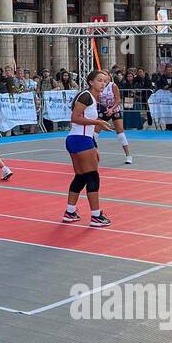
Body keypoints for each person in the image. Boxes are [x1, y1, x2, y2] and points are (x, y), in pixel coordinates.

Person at [62, 70, 112, 227]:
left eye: (105, 81)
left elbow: (86, 123)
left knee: (81, 177)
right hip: (80, 139)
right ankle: (96, 215)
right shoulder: (85, 96)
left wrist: (94, 146)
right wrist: (98, 123)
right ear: (91, 82)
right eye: (99, 80)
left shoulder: (91, 97)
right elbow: (75, 118)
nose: (103, 83)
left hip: (79, 139)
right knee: (92, 177)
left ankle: (70, 212)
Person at [97, 73, 132, 164]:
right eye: (102, 75)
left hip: (114, 109)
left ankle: (128, 155)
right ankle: (92, 153)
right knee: (95, 132)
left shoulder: (113, 85)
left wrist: (112, 109)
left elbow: (118, 99)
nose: (104, 77)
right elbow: (96, 99)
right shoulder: (99, 86)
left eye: (106, 75)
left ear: (109, 76)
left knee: (120, 132)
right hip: (103, 109)